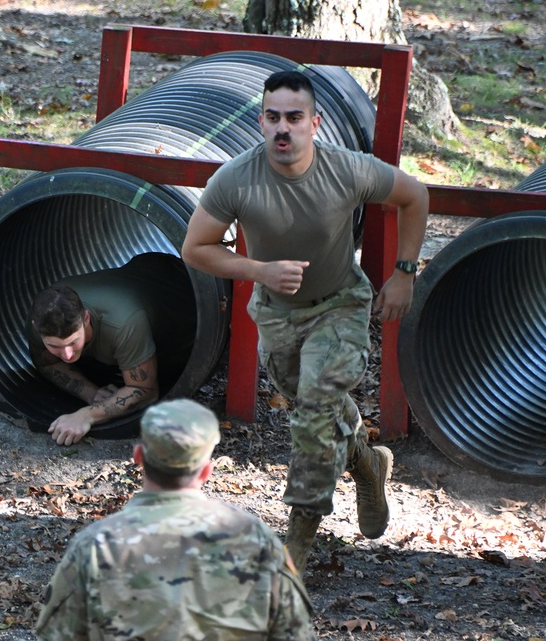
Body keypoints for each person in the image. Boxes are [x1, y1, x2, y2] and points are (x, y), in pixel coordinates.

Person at [181, 70, 429, 575]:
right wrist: (258, 270)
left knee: (315, 413)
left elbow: (414, 196)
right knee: (318, 404)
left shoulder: (347, 170)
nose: (282, 129)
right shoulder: (236, 178)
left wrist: (404, 274)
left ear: (314, 124)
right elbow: (195, 249)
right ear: (261, 122)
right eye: (272, 117)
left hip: (339, 305)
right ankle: (367, 463)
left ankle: (297, 541)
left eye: (294, 118)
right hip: (277, 317)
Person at [35, 398, 317, 640]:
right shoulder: (257, 540)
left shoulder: (95, 546)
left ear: (138, 457)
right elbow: (296, 632)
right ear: (207, 470)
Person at [29, 253, 196, 446]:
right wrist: (91, 393)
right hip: (143, 272)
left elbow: (146, 390)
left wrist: (86, 416)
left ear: (86, 319)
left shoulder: (124, 323)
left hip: (186, 300)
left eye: (73, 342)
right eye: (55, 346)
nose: (67, 354)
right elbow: (46, 363)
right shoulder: (43, 320)